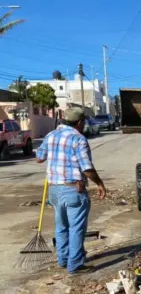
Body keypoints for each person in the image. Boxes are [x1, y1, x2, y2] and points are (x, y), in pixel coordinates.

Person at [36, 108, 106, 275]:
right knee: (76, 227)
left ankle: (63, 259)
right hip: (73, 189)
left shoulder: (51, 135)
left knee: (61, 226)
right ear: (79, 122)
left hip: (54, 189)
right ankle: (75, 265)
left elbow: (39, 158)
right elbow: (87, 168)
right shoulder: (78, 138)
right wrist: (100, 183)